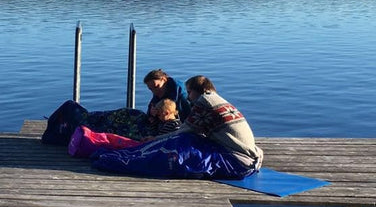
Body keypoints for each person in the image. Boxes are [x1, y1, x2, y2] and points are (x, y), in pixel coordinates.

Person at [91, 75, 263, 180]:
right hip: (249, 158)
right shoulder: (220, 100)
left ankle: (121, 159)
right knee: (186, 142)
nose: (187, 98)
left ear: (200, 91)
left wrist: (154, 139)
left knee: (178, 147)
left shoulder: (205, 102)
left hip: (239, 161)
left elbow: (183, 131)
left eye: (189, 93)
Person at [41, 68, 189, 144]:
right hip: (144, 121)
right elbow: (152, 116)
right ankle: (85, 116)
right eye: (151, 89)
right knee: (122, 113)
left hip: (148, 130)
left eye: (156, 87)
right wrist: (152, 113)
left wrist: (156, 122)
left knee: (111, 127)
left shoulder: (178, 97)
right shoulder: (160, 94)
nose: (154, 91)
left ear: (164, 79)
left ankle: (80, 123)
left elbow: (183, 123)